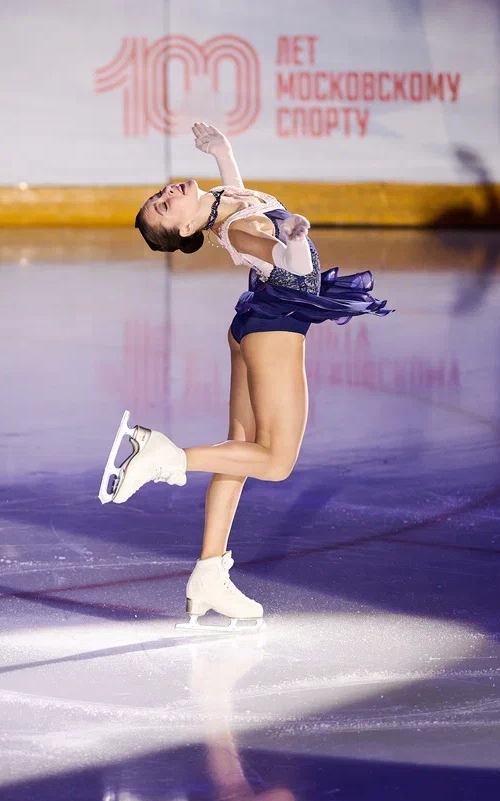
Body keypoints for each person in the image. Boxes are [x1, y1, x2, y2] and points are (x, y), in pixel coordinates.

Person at [99, 123, 392, 632]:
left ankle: (209, 573)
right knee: (275, 461)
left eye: (159, 195)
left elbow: (240, 198)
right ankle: (167, 457)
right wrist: (295, 241)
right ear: (187, 231)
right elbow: (287, 265)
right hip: (274, 324)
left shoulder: (220, 203)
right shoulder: (233, 231)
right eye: (165, 206)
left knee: (240, 448)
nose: (168, 192)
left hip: (251, 322)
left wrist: (222, 152)